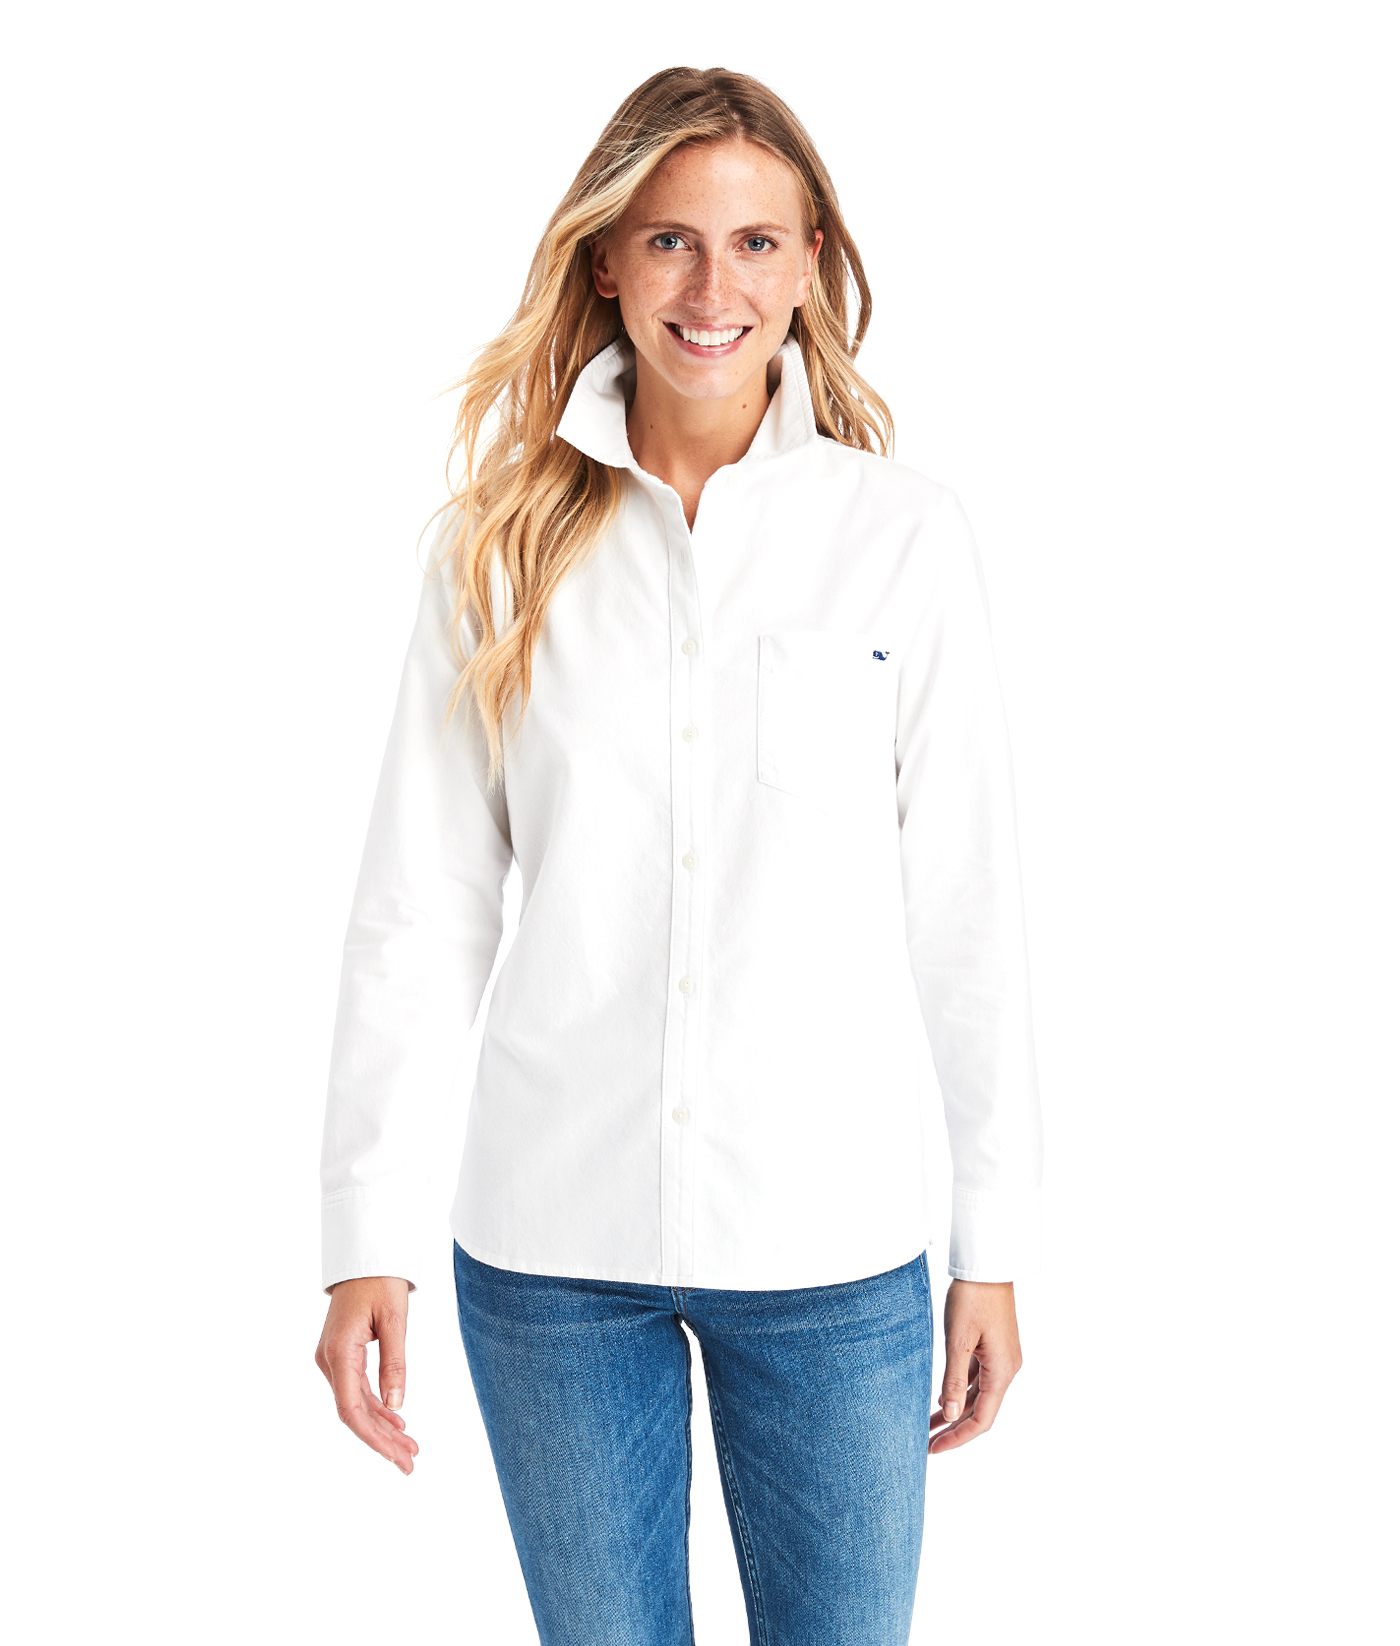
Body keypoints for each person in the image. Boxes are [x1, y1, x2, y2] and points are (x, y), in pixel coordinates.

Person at [314, 64, 1042, 1646]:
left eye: (757, 243)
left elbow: (969, 910)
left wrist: (997, 1243)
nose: (715, 290)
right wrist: (363, 1232)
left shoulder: (904, 538)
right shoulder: (497, 544)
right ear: (604, 260)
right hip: (551, 1244)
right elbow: (422, 905)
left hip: (829, 1239)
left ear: (811, 266)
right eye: (670, 241)